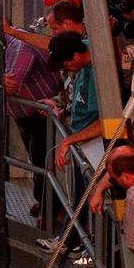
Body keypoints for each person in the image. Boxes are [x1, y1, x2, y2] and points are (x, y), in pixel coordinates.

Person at [4, 34, 61, 216]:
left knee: (42, 162)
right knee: (36, 160)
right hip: (24, 114)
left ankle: (49, 210)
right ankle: (45, 204)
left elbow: (11, 85)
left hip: (41, 115)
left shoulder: (20, 48)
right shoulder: (4, 48)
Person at [47, 31, 103, 173]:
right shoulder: (85, 49)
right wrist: (57, 104)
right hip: (80, 139)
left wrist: (68, 140)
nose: (65, 69)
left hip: (95, 146)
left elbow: (104, 123)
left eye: (66, 64)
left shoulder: (97, 75)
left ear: (77, 56)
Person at [89, 143, 134, 253]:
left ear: (125, 177)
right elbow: (122, 163)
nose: (111, 181)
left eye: (113, 179)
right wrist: (99, 189)